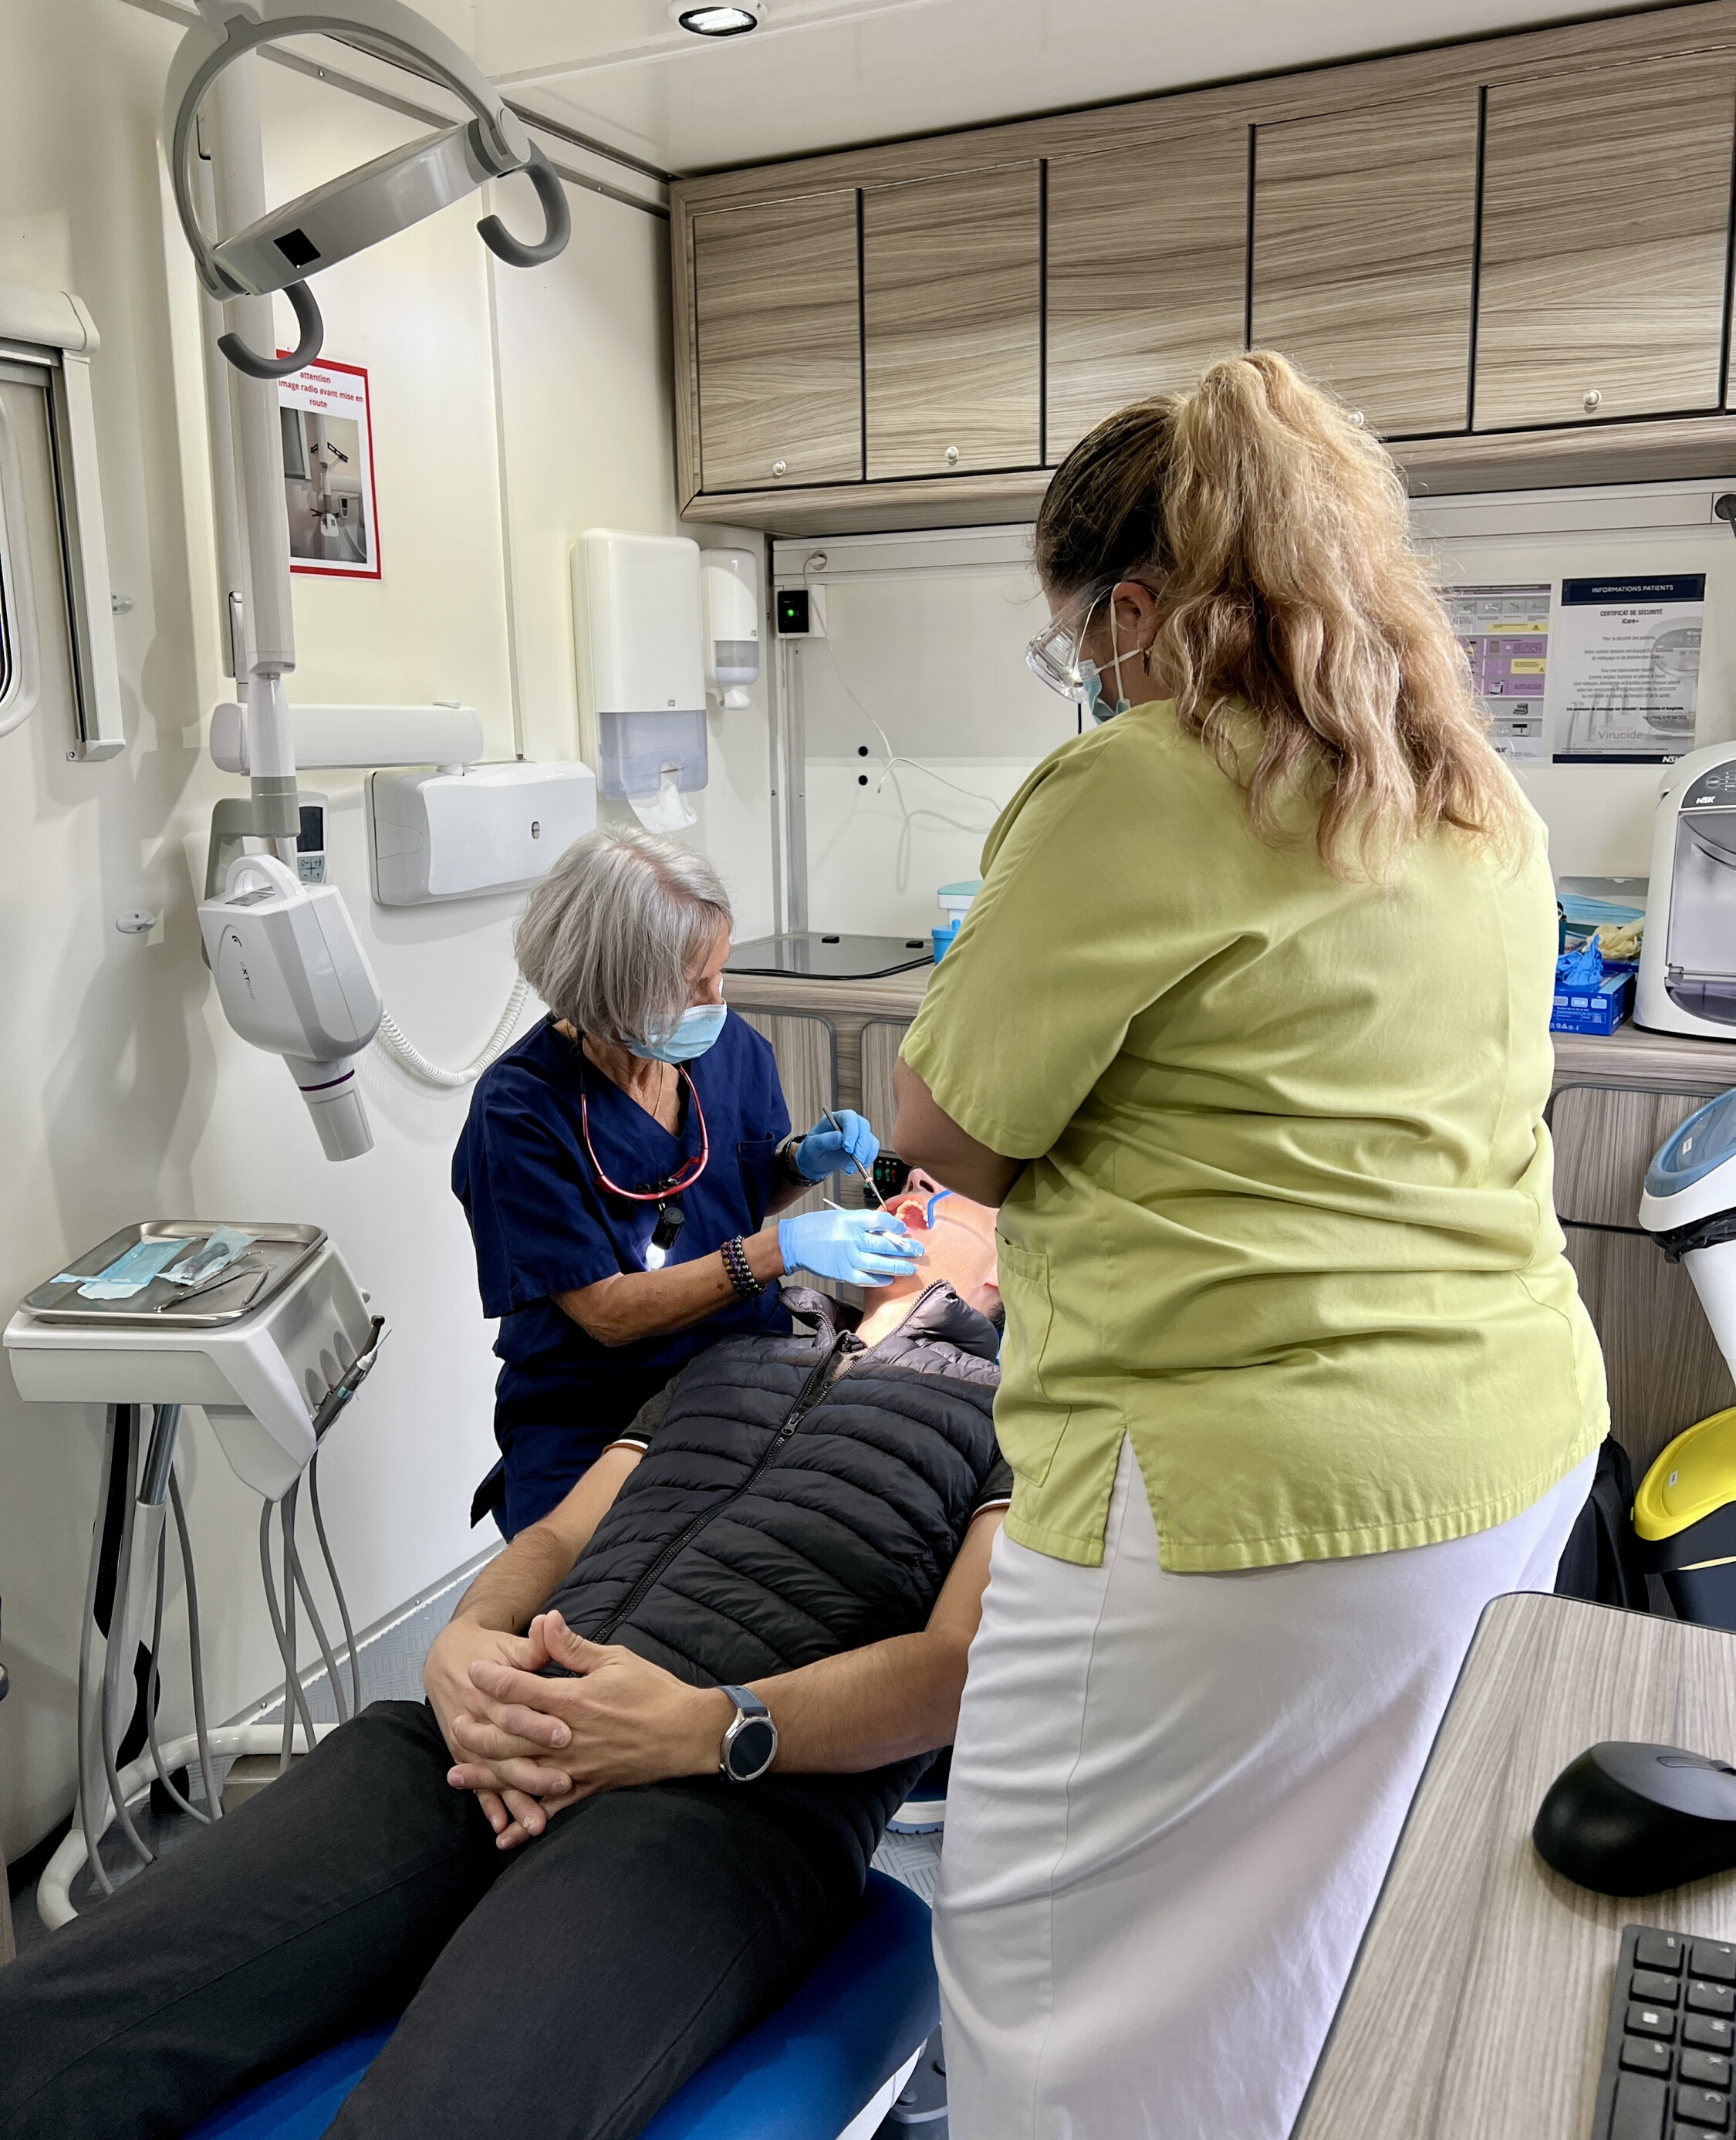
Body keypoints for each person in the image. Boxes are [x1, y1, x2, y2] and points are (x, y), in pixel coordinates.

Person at [890, 352, 1608, 2140]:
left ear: (1136, 612)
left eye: (1082, 643)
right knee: (1315, 1914)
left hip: (1244, 1499)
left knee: (1053, 1963)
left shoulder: (1144, 780)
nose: (1092, 677)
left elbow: (943, 1129)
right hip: (1505, 1460)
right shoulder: (1470, 792)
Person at [0, 1178, 1008, 2140]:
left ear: (1016, 1262)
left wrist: (706, 1727)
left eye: (939, 1198)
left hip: (719, 1805)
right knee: (58, 2020)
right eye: (900, 1187)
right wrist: (465, 1637)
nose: (903, 1197)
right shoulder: (734, 1360)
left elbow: (957, 1667)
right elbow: (558, 1537)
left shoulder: (1019, 1424)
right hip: (475, 1742)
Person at [454, 825, 923, 1536]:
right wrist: (780, 1249)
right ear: (608, 989)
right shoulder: (520, 1112)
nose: (716, 1000)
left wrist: (797, 1166)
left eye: (719, 973)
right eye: (690, 985)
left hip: (740, 1366)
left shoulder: (729, 1050)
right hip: (594, 1410)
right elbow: (607, 1315)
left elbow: (731, 1190)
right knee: (586, 1575)